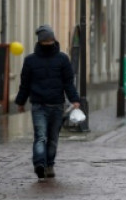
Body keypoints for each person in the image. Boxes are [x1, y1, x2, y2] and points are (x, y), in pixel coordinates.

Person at [14, 25, 81, 180]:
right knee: (49, 138)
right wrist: (75, 99)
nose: (48, 43)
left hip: (45, 105)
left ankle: (45, 164)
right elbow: (68, 83)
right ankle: (44, 164)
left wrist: (20, 102)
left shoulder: (33, 60)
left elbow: (25, 84)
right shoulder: (60, 59)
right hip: (50, 105)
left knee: (43, 137)